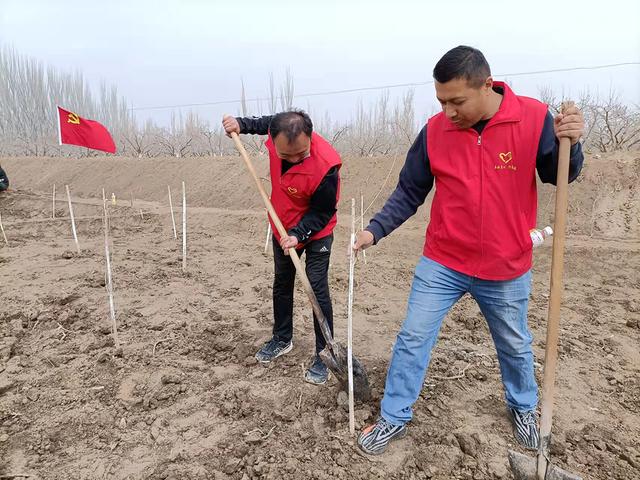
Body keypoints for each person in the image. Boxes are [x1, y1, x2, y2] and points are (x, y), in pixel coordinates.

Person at [354, 46, 585, 455]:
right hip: (443, 260)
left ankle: (524, 408)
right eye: (441, 101)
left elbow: (559, 174)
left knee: (514, 343)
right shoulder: (433, 131)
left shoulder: (532, 118)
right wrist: (375, 230)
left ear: (486, 84)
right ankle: (393, 417)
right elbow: (410, 191)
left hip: (505, 263)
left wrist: (571, 143)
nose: (448, 111)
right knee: (412, 337)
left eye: (457, 101)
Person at [222, 110, 342, 385]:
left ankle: (325, 352)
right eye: (286, 156)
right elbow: (263, 123)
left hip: (316, 231)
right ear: (274, 140)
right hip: (281, 224)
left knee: (316, 287)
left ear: (309, 137)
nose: (295, 159)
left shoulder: (327, 167)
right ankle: (282, 338)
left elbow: (322, 212)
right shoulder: (279, 130)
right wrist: (240, 124)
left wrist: (299, 234)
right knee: (282, 282)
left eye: (301, 153)